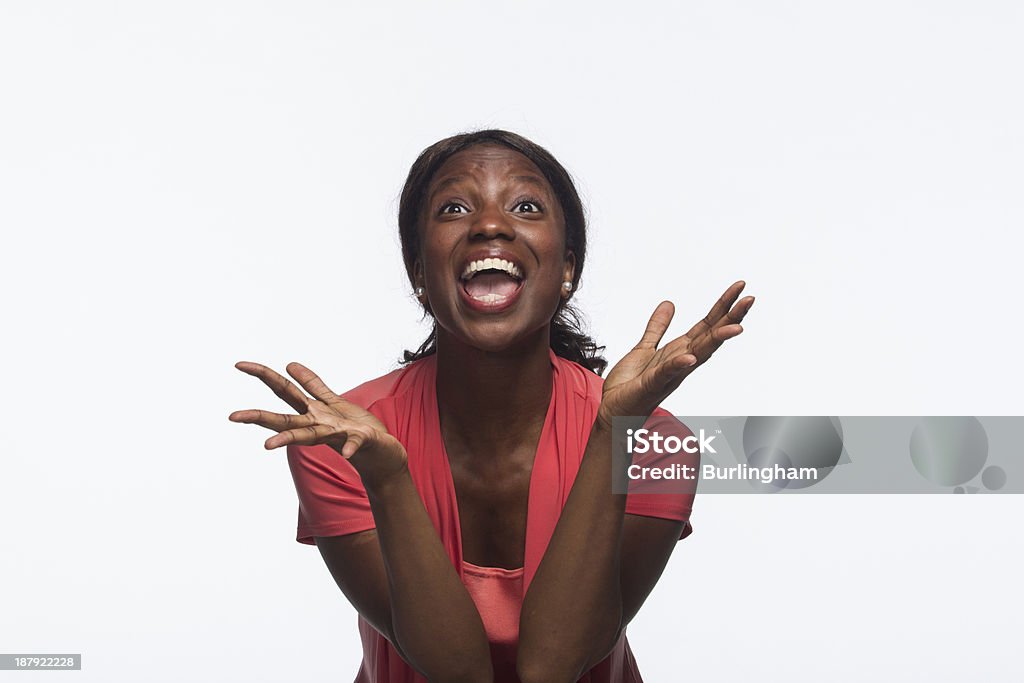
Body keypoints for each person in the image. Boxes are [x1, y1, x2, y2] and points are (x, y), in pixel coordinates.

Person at [229, 129, 754, 682]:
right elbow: (454, 673)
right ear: (419, 275)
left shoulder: (655, 446)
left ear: (568, 271)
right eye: (454, 208)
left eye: (525, 206)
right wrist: (387, 480)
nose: (489, 225)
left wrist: (613, 432)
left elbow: (554, 667)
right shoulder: (344, 444)